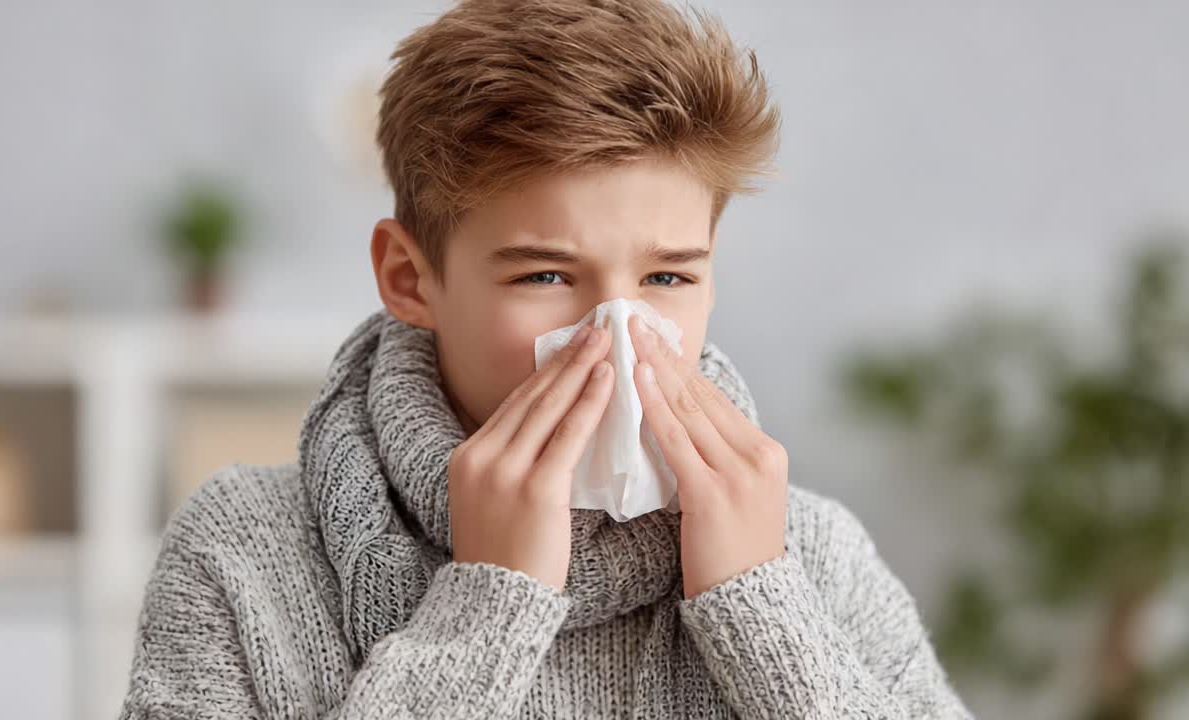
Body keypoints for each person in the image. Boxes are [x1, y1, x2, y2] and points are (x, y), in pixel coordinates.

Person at [119, 1, 974, 717]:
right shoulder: (244, 554)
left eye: (666, 274)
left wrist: (762, 605)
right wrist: (485, 606)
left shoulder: (812, 553)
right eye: (546, 273)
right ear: (409, 278)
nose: (614, 333)